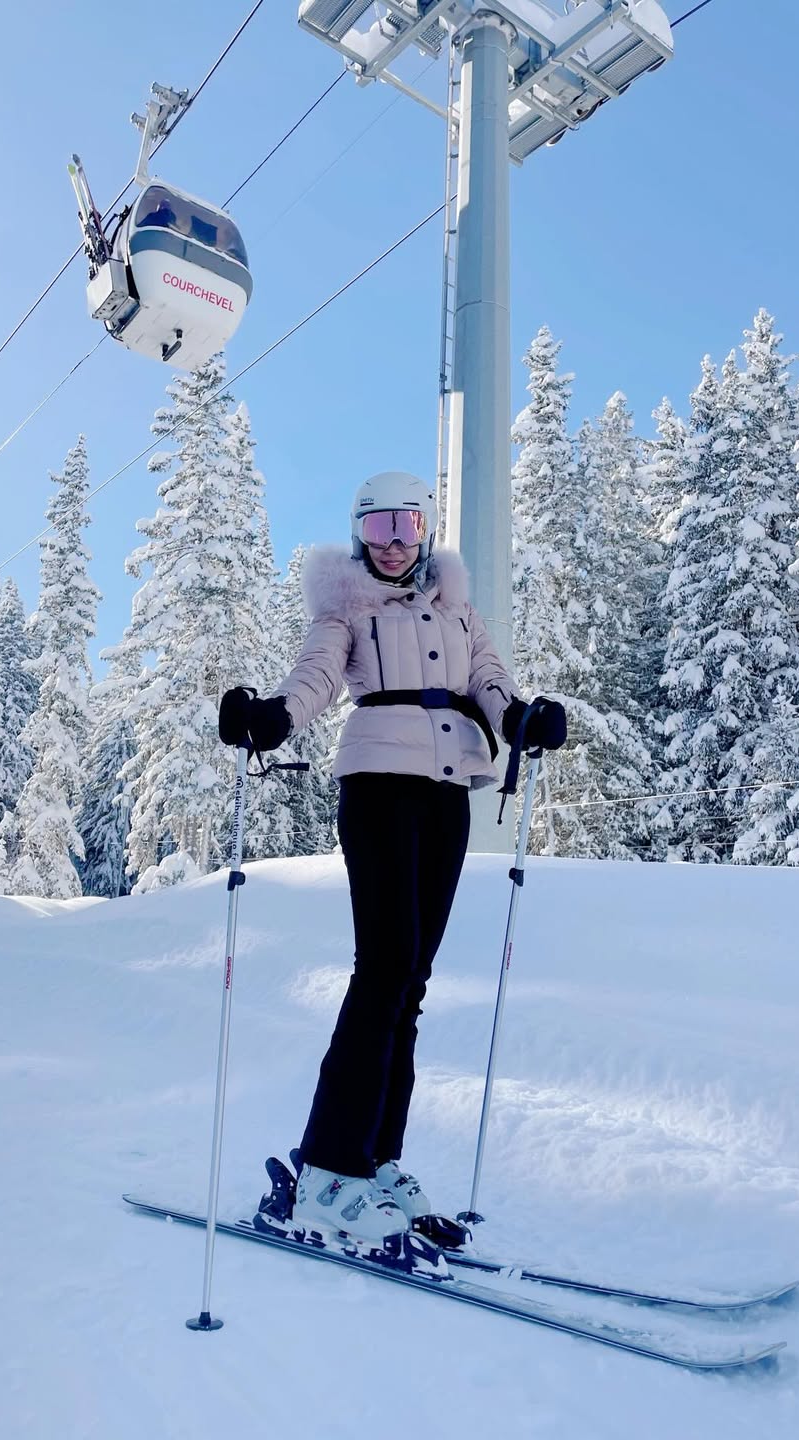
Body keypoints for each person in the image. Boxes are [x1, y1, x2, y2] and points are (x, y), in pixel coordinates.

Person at [218, 472, 567, 1250]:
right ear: (358, 538)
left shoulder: (458, 610)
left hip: (446, 795)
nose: (393, 542)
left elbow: (490, 682)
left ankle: (375, 1159)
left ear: (426, 529)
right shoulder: (346, 608)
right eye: (376, 529)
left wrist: (525, 719)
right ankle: (327, 1168)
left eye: (406, 525)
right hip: (377, 785)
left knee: (410, 982)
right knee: (384, 968)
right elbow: (312, 678)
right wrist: (271, 717)